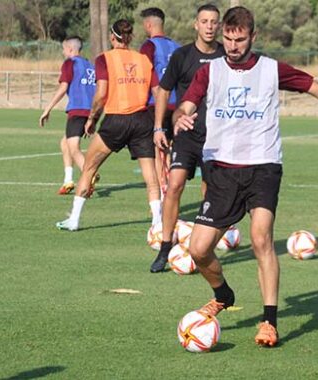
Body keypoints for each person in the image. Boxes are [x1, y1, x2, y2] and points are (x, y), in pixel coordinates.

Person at [172, 6, 318, 347]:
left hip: (263, 167)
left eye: (239, 39)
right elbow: (186, 104)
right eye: (227, 39)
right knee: (198, 252)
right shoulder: (210, 72)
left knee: (260, 238)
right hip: (221, 170)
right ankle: (223, 294)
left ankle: (269, 321)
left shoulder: (272, 70)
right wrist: (180, 118)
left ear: (253, 37)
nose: (232, 46)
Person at [56, 19, 162, 232]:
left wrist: (92, 119)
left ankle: (74, 220)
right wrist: (158, 123)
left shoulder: (105, 59)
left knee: (89, 167)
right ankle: (157, 224)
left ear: (112, 37)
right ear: (130, 37)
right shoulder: (143, 60)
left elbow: (101, 93)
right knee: (151, 177)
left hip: (116, 120)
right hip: (142, 121)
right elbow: (158, 93)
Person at [150, 4, 225, 273]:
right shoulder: (182, 56)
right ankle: (165, 247)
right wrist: (159, 127)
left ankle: (203, 247)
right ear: (196, 24)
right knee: (175, 186)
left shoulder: (226, 56)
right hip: (186, 135)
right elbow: (162, 90)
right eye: (204, 21)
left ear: (218, 27)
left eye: (213, 22)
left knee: (210, 191)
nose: (208, 26)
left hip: (217, 137)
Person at [39, 36, 95, 195]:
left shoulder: (70, 63)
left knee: (74, 148)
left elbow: (64, 87)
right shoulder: (90, 65)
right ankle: (68, 180)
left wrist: (47, 109)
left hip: (77, 110)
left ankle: (91, 175)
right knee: (65, 144)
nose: (63, 52)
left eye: (64, 49)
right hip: (89, 111)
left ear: (70, 49)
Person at [139, 7, 181, 194]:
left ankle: (163, 196)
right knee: (170, 149)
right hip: (178, 105)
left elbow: (144, 75)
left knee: (157, 150)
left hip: (157, 105)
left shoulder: (148, 46)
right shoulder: (178, 47)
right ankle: (171, 192)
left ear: (148, 25)